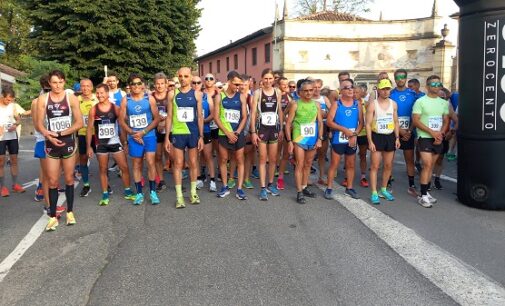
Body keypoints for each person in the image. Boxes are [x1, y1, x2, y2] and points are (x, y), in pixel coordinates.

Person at [36, 70, 83, 231]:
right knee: (53, 180)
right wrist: (47, 134)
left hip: (67, 141)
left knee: (69, 179)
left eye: (60, 82)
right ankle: (53, 216)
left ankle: (70, 212)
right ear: (49, 83)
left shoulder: (71, 98)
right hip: (50, 143)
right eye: (54, 82)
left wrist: (61, 133)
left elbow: (79, 123)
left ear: (64, 82)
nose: (57, 85)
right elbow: (39, 123)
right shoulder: (43, 99)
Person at [86, 83, 135, 205]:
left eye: (102, 93)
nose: (99, 95)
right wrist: (88, 146)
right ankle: (105, 194)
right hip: (101, 144)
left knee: (124, 167)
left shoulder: (115, 108)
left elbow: (123, 127)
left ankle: (128, 191)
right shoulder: (93, 110)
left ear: (107, 94)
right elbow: (89, 129)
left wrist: (125, 142)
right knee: (103, 169)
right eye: (97, 93)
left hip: (114, 142)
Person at [165, 67, 204, 208]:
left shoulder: (198, 94)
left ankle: (193, 193)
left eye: (186, 76)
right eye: (180, 76)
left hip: (193, 133)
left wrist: (201, 136)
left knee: (193, 162)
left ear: (190, 78)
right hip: (178, 133)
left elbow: (200, 116)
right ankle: (179, 196)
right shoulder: (172, 94)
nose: (182, 79)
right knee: (178, 164)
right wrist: (166, 138)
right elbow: (169, 117)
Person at [119, 73, 160, 205]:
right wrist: (132, 133)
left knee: (150, 162)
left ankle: (153, 192)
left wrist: (143, 132)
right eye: (133, 84)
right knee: (136, 164)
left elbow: (157, 118)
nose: (136, 86)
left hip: (148, 135)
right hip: (133, 137)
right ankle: (139, 193)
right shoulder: (126, 100)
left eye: (138, 83)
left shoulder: (150, 98)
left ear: (142, 85)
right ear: (129, 86)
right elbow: (121, 120)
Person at [412, 76, 450, 208]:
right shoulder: (420, 101)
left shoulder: (444, 103)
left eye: (439, 83)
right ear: (427, 86)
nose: (436, 86)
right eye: (433, 84)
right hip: (425, 137)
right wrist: (431, 132)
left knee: (431, 167)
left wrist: (441, 133)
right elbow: (416, 120)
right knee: (427, 165)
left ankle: (426, 192)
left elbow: (445, 121)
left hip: (438, 137)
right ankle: (422, 196)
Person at [285, 79, 323, 204]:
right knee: (299, 164)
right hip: (299, 138)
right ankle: (299, 192)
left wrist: (320, 139)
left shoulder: (316, 105)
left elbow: (321, 123)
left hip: (312, 138)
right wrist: (289, 141)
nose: (308, 93)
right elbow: (288, 123)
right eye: (305, 91)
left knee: (308, 164)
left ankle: (305, 187)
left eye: (311, 90)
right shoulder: (295, 104)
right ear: (300, 92)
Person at [325, 78, 363, 200]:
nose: (350, 89)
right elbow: (329, 122)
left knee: (351, 164)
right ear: (341, 91)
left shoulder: (357, 104)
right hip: (338, 139)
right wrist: (344, 130)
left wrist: (355, 134)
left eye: (352, 87)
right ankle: (329, 188)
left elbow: (361, 123)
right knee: (334, 164)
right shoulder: (337, 104)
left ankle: (349, 188)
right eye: (347, 87)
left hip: (352, 139)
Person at [213, 70, 248, 200]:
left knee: (239, 159)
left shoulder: (241, 97)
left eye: (239, 85)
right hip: (223, 133)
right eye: (235, 84)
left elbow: (244, 117)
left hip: (237, 133)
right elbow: (216, 117)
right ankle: (225, 186)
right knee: (223, 159)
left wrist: (237, 132)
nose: (238, 87)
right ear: (228, 82)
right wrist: (227, 133)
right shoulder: (219, 97)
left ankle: (239, 188)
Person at [250, 69, 284, 201]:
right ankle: (263, 188)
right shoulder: (258, 93)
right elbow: (253, 113)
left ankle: (270, 184)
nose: (268, 81)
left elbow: (279, 110)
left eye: (270, 79)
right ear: (262, 79)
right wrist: (253, 132)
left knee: (273, 159)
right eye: (266, 78)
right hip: (262, 128)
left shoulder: (278, 92)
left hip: (274, 128)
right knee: (263, 158)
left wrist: (281, 128)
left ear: (273, 80)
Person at [366, 79, 400, 205]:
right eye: (383, 89)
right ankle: (374, 192)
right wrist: (370, 141)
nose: (386, 91)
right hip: (377, 136)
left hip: (390, 136)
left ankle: (383, 189)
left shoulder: (394, 104)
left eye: (388, 89)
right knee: (375, 166)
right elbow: (368, 124)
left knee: (388, 165)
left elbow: (396, 121)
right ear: (378, 90)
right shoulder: (373, 104)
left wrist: (397, 138)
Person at [390, 69, 419, 197]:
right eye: (398, 77)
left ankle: (411, 185)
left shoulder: (413, 94)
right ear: (395, 79)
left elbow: (416, 114)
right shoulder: (390, 94)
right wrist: (400, 130)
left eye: (403, 77)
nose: (400, 79)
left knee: (409, 159)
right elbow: (388, 113)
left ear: (406, 78)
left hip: (409, 130)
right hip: (393, 131)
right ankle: (387, 182)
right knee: (389, 159)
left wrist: (410, 130)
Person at [0, 88, 24, 197]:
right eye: (7, 100)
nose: (8, 102)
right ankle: (2, 187)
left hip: (12, 136)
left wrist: (16, 124)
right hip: (1, 137)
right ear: (2, 96)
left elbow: (18, 119)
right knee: (1, 161)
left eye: (10, 100)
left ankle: (15, 185)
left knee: (14, 160)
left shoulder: (13, 106)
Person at [76, 79, 98, 197]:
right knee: (83, 159)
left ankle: (106, 184)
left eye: (87, 86)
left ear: (92, 87)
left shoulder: (97, 98)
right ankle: (86, 185)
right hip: (83, 133)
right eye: (83, 86)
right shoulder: (76, 100)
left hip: (97, 134)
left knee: (102, 160)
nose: (85, 88)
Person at [433, 87, 458, 190]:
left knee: (439, 159)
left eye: (444, 98)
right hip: (429, 136)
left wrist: (451, 132)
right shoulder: (429, 106)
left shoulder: (448, 107)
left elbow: (457, 121)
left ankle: (437, 179)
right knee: (429, 160)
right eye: (439, 98)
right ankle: (426, 181)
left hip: (443, 137)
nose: (442, 100)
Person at [199, 74, 217, 192]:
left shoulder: (218, 93)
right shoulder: (196, 95)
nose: (209, 80)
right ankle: (200, 175)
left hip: (213, 127)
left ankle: (214, 178)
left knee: (210, 153)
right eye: (206, 78)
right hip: (196, 129)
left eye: (211, 78)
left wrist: (203, 121)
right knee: (200, 154)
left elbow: (213, 113)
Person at [152, 72, 169, 191]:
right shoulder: (151, 97)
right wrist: (158, 122)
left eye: (162, 83)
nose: (159, 86)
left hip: (169, 129)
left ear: (166, 84)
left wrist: (165, 122)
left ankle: (178, 181)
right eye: (157, 84)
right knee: (158, 156)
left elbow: (175, 113)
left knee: (173, 156)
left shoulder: (170, 95)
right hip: (156, 129)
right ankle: (161, 181)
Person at [313, 79, 331, 186]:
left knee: (322, 154)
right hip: (311, 127)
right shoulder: (308, 99)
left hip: (323, 127)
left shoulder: (324, 98)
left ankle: (321, 176)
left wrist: (326, 113)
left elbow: (332, 111)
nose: (316, 89)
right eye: (314, 87)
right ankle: (304, 178)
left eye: (318, 87)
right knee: (308, 155)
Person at [276, 77, 293, 190]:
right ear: (279, 85)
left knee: (286, 151)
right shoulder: (277, 94)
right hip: (278, 124)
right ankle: (277, 167)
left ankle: (281, 166)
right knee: (278, 148)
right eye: (283, 84)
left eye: (287, 84)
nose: (286, 86)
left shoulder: (289, 96)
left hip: (287, 125)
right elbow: (278, 110)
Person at [355, 83, 370, 187]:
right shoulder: (348, 103)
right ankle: (347, 176)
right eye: (353, 92)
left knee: (362, 154)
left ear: (362, 93)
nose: (354, 94)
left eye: (357, 92)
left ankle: (363, 176)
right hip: (350, 132)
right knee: (349, 156)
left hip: (363, 132)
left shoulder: (366, 104)